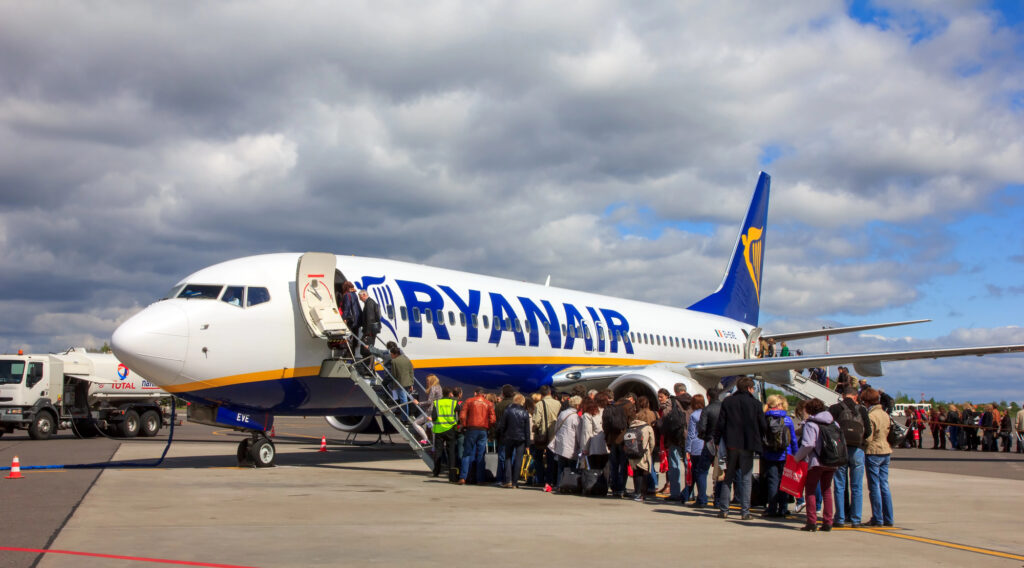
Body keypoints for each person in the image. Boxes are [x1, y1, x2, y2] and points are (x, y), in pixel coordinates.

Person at [713, 377, 768, 521]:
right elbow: (763, 425)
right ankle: (745, 512)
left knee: (728, 477)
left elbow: (721, 423)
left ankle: (724, 509)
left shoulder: (728, 401)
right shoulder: (755, 403)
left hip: (731, 444)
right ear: (750, 388)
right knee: (746, 478)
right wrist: (761, 438)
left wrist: (717, 440)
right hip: (748, 445)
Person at [828, 386, 871, 528]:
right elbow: (868, 431)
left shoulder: (835, 408)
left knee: (840, 485)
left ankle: (840, 518)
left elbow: (828, 428)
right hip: (857, 450)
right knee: (857, 486)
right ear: (855, 396)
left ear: (842, 395)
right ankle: (856, 519)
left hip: (841, 450)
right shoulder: (862, 409)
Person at [794, 398, 838, 531]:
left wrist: (797, 458)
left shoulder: (810, 424)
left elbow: (809, 444)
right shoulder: (834, 423)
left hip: (816, 461)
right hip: (831, 460)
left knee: (811, 490)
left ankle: (811, 522)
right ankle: (827, 522)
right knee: (827, 491)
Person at [861, 388, 894, 527]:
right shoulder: (885, 414)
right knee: (884, 485)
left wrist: (861, 443)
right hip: (885, 450)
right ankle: (888, 517)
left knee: (874, 487)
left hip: (873, 451)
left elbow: (868, 437)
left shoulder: (871, 416)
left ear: (867, 402)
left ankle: (877, 518)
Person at [762, 394, 797, 518]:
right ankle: (783, 508)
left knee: (772, 482)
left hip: (770, 454)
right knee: (784, 482)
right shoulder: (787, 420)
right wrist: (795, 455)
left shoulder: (765, 418)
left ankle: (771, 508)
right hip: (785, 455)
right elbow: (793, 439)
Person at [457, 387, 495, 485]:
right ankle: (480, 479)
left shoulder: (469, 401)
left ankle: (463, 477)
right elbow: (493, 419)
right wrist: (488, 426)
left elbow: (462, 416)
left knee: (467, 453)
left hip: (471, 429)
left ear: (475, 393)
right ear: (484, 395)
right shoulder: (489, 403)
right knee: (481, 455)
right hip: (483, 430)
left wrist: (465, 425)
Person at [658, 388, 689, 501]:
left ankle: (675, 492)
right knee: (688, 465)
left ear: (676, 392)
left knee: (674, 464)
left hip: (674, 436)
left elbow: (666, 417)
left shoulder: (672, 402)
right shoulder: (692, 401)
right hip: (688, 437)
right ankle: (689, 492)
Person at [495, 394, 531, 488]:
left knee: (508, 458)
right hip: (521, 439)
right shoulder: (525, 412)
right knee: (518, 459)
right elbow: (527, 430)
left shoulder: (508, 411)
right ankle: (515, 482)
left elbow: (502, 425)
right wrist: (528, 443)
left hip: (509, 437)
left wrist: (503, 435)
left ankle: (508, 480)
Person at [604, 393, 636, 498]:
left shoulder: (612, 407)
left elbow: (606, 425)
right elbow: (632, 423)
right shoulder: (628, 406)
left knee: (613, 465)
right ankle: (622, 488)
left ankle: (614, 488)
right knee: (623, 465)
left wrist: (607, 439)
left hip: (612, 440)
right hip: (624, 440)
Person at [531, 386, 562, 491]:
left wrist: (536, 428)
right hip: (555, 434)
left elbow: (536, 420)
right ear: (550, 393)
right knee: (552, 459)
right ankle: (552, 480)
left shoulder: (540, 404)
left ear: (542, 394)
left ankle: (541, 479)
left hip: (543, 435)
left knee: (538, 457)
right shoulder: (558, 403)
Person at [548, 396, 582, 488]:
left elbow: (556, 427)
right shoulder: (576, 417)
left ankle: (559, 484)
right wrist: (580, 444)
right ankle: (570, 485)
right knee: (571, 467)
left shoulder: (562, 413)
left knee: (561, 466)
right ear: (577, 405)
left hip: (560, 442)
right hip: (571, 444)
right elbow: (578, 433)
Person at [625, 412, 655, 502]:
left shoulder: (631, 426)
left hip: (632, 453)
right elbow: (652, 442)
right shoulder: (648, 428)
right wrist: (650, 451)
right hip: (644, 453)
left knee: (636, 473)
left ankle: (637, 492)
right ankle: (642, 494)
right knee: (644, 473)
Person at [431, 387, 460, 481]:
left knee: (438, 451)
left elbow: (434, 417)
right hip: (450, 429)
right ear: (450, 394)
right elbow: (459, 413)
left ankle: (436, 471)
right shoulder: (453, 403)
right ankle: (451, 473)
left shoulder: (437, 402)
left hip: (439, 430)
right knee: (451, 451)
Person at [685, 393, 708, 506]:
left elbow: (691, 434)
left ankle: (701, 498)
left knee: (697, 473)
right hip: (707, 445)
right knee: (703, 472)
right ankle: (700, 496)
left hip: (696, 446)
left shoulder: (694, 415)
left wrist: (688, 449)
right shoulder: (706, 413)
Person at [493, 384, 517, 486]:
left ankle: (500, 479)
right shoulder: (516, 405)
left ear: (503, 394)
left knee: (502, 458)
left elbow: (496, 421)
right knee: (512, 457)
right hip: (514, 435)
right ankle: (511, 478)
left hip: (502, 435)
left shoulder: (499, 405)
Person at [578, 395, 608, 471]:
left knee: (594, 470)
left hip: (594, 446)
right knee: (605, 469)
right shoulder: (603, 410)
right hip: (606, 445)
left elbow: (587, 432)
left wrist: (585, 448)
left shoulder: (587, 414)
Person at [387, 343, 414, 421]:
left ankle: (405, 418)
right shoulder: (407, 359)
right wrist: (412, 383)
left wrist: (394, 385)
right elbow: (411, 371)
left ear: (395, 354)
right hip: (408, 383)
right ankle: (409, 414)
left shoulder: (394, 362)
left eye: (391, 354)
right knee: (407, 399)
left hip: (400, 384)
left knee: (403, 401)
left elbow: (394, 375)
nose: (391, 356)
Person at [340, 281, 361, 357]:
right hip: (356, 320)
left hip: (351, 320)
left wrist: (343, 318)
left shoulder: (346, 295)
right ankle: (354, 354)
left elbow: (347, 308)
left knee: (347, 338)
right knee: (354, 338)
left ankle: (347, 354)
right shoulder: (354, 294)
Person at [357, 289, 380, 358]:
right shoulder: (370, 302)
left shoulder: (369, 303)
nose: (360, 300)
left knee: (366, 350)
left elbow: (370, 318)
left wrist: (367, 332)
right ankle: (369, 366)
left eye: (360, 297)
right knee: (367, 349)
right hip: (371, 331)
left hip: (369, 332)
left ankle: (368, 367)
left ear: (364, 295)